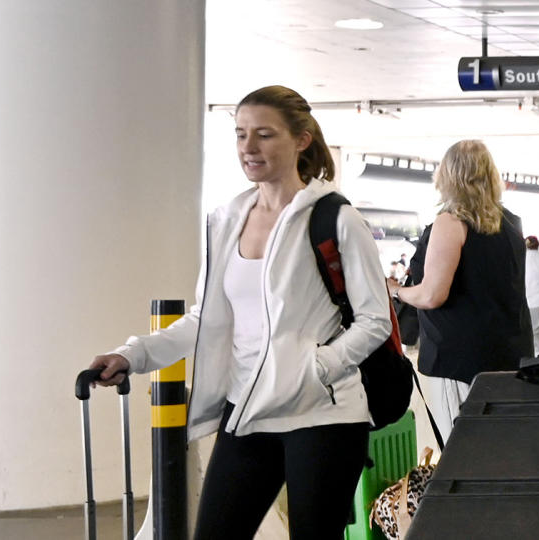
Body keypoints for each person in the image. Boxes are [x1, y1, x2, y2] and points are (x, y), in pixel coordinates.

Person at [87, 85, 391, 539]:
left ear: (301, 140)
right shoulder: (226, 220)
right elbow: (204, 319)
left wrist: (320, 367)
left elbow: (375, 320)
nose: (249, 148)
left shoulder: (336, 219)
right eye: (240, 134)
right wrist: (133, 355)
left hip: (322, 415)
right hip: (247, 411)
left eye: (264, 135)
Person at [386, 140, 533, 443]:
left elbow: (431, 295)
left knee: (463, 450)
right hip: (509, 354)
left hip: (458, 359)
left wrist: (397, 291)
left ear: (447, 176)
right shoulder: (509, 223)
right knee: (502, 446)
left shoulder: (451, 222)